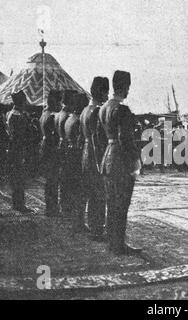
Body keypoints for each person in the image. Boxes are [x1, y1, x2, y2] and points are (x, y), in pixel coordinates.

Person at [99, 70, 142, 255]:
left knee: (111, 202)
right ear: (124, 87)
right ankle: (119, 244)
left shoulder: (104, 108)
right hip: (120, 160)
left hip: (107, 157)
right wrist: (135, 162)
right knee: (122, 204)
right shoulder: (122, 109)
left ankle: (111, 242)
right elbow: (126, 139)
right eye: (128, 87)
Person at [80, 77, 109, 240]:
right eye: (106, 91)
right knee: (99, 194)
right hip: (96, 155)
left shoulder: (85, 110)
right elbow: (98, 140)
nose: (107, 95)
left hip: (86, 154)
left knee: (92, 192)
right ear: (101, 91)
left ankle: (93, 226)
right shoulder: (98, 111)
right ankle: (98, 229)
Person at [65, 93, 89, 233]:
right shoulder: (79, 120)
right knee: (81, 191)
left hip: (69, 155)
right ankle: (79, 222)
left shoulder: (69, 118)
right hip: (77, 156)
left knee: (73, 190)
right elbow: (80, 139)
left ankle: (75, 220)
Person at [6, 90, 32, 212]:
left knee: (15, 178)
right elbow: (22, 136)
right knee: (20, 178)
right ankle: (20, 204)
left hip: (12, 149)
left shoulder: (10, 113)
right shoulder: (19, 116)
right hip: (19, 150)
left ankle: (16, 203)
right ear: (22, 102)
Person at [39, 90, 62, 216]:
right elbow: (54, 136)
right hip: (52, 150)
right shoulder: (52, 116)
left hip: (45, 149)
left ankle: (50, 207)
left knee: (49, 181)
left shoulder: (44, 114)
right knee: (53, 180)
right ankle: (52, 208)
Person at [55, 90, 76, 216]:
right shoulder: (68, 116)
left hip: (59, 146)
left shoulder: (57, 114)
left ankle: (63, 205)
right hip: (67, 148)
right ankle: (67, 206)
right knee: (68, 179)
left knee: (63, 178)